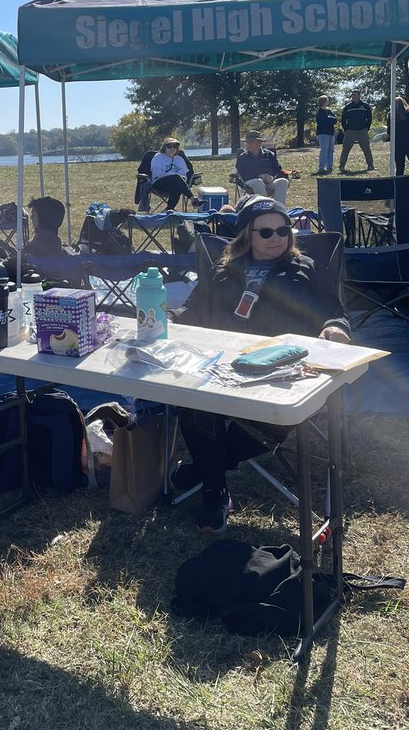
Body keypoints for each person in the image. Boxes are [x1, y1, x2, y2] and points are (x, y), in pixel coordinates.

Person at [170, 196, 350, 532]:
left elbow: (333, 310)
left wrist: (334, 328)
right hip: (222, 363)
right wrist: (166, 317)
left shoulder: (304, 269)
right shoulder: (222, 270)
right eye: (265, 232)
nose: (277, 237)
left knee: (275, 416)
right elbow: (192, 311)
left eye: (283, 230)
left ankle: (205, 471)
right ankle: (215, 492)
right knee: (191, 400)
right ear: (246, 235)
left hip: (279, 370)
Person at [233, 131, 296, 205]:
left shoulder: (269, 155)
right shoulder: (243, 157)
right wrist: (260, 176)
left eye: (251, 141)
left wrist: (272, 177)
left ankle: (279, 208)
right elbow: (244, 174)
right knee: (258, 182)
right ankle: (266, 208)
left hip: (268, 183)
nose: (248, 144)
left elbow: (277, 170)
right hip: (250, 184)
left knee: (283, 181)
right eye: (247, 142)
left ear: (259, 143)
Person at [149, 138, 203, 210]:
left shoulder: (179, 159)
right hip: (159, 183)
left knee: (178, 187)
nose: (172, 149)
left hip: (176, 184)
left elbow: (184, 175)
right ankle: (193, 199)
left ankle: (169, 211)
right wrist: (174, 177)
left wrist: (180, 179)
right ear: (164, 147)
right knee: (176, 178)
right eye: (169, 146)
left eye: (175, 147)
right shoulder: (158, 157)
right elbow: (158, 173)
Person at [339, 90, 374, 172]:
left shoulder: (365, 106)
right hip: (350, 131)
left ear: (359, 95)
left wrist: (367, 127)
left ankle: (370, 165)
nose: (354, 96)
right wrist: (346, 129)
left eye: (356, 95)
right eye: (353, 95)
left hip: (362, 131)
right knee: (345, 149)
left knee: (366, 149)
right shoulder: (347, 107)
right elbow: (343, 119)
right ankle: (341, 166)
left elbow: (369, 117)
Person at [315, 95, 337, 175]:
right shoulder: (319, 112)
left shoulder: (329, 111)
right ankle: (321, 167)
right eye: (327, 100)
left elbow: (335, 120)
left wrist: (330, 119)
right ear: (323, 101)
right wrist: (330, 119)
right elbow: (323, 122)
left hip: (331, 133)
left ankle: (329, 167)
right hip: (323, 134)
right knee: (324, 150)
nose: (328, 101)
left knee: (330, 151)